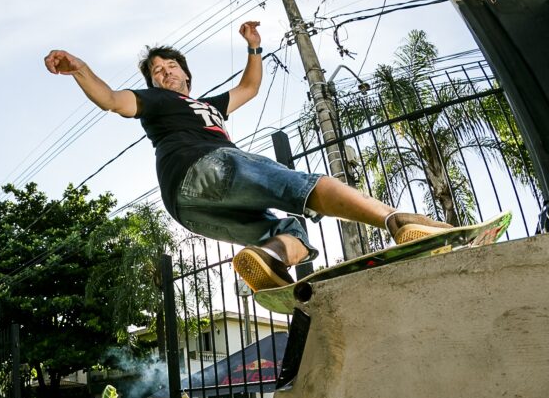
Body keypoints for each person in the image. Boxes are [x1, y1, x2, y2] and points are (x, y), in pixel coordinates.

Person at [45, 25, 452, 292]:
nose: (164, 73)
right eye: (157, 72)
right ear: (153, 83)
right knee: (298, 185)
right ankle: (397, 221)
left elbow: (250, 86)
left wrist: (253, 46)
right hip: (206, 166)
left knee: (290, 229)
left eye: (170, 67)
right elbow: (113, 100)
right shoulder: (156, 101)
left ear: (187, 75)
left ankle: (271, 258)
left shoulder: (211, 105)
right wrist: (80, 68)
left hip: (189, 209)